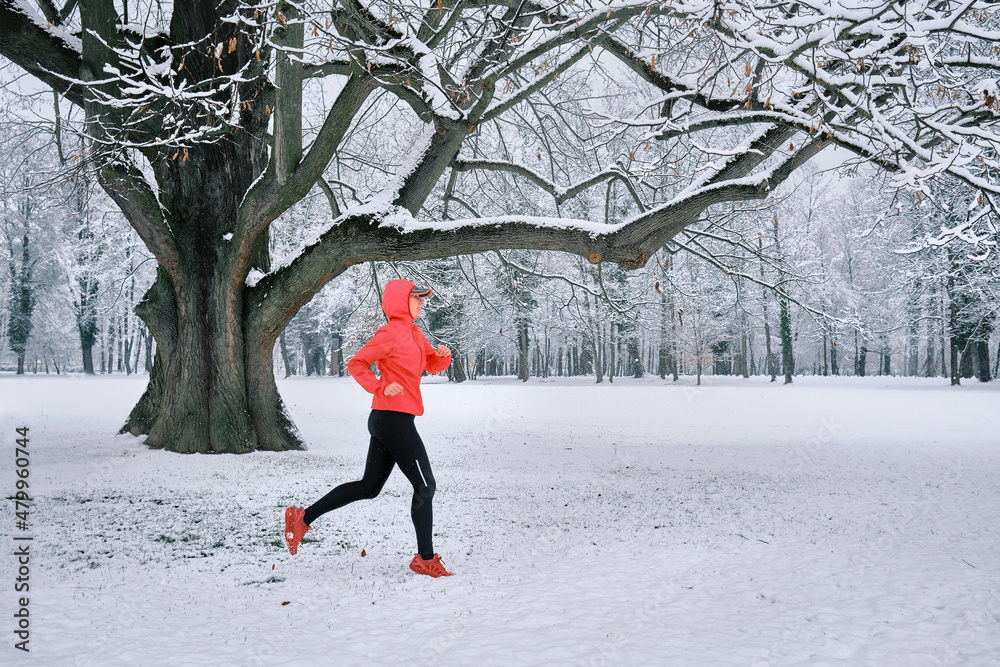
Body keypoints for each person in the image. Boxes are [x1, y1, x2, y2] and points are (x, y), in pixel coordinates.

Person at [284, 279, 454, 577]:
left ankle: (302, 517)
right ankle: (425, 559)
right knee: (425, 486)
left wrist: (441, 356)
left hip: (390, 420)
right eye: (417, 299)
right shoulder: (390, 333)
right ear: (403, 302)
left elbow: (430, 364)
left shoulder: (415, 333)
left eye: (423, 299)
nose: (422, 303)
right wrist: (379, 386)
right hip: (392, 420)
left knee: (369, 487)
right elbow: (357, 364)